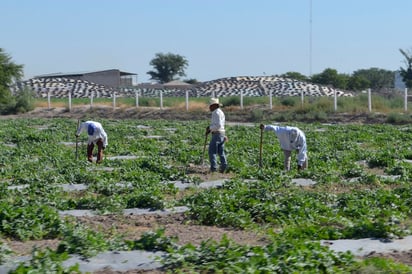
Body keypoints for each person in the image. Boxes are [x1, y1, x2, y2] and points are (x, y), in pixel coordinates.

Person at [206, 98, 228, 173]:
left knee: (212, 151)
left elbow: (218, 125)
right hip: (221, 133)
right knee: (221, 151)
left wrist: (210, 128)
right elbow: (220, 125)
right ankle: (224, 166)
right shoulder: (220, 112)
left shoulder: (216, 113)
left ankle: (213, 168)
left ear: (214, 105)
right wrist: (210, 129)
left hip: (217, 134)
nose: (209, 108)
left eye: (210, 106)